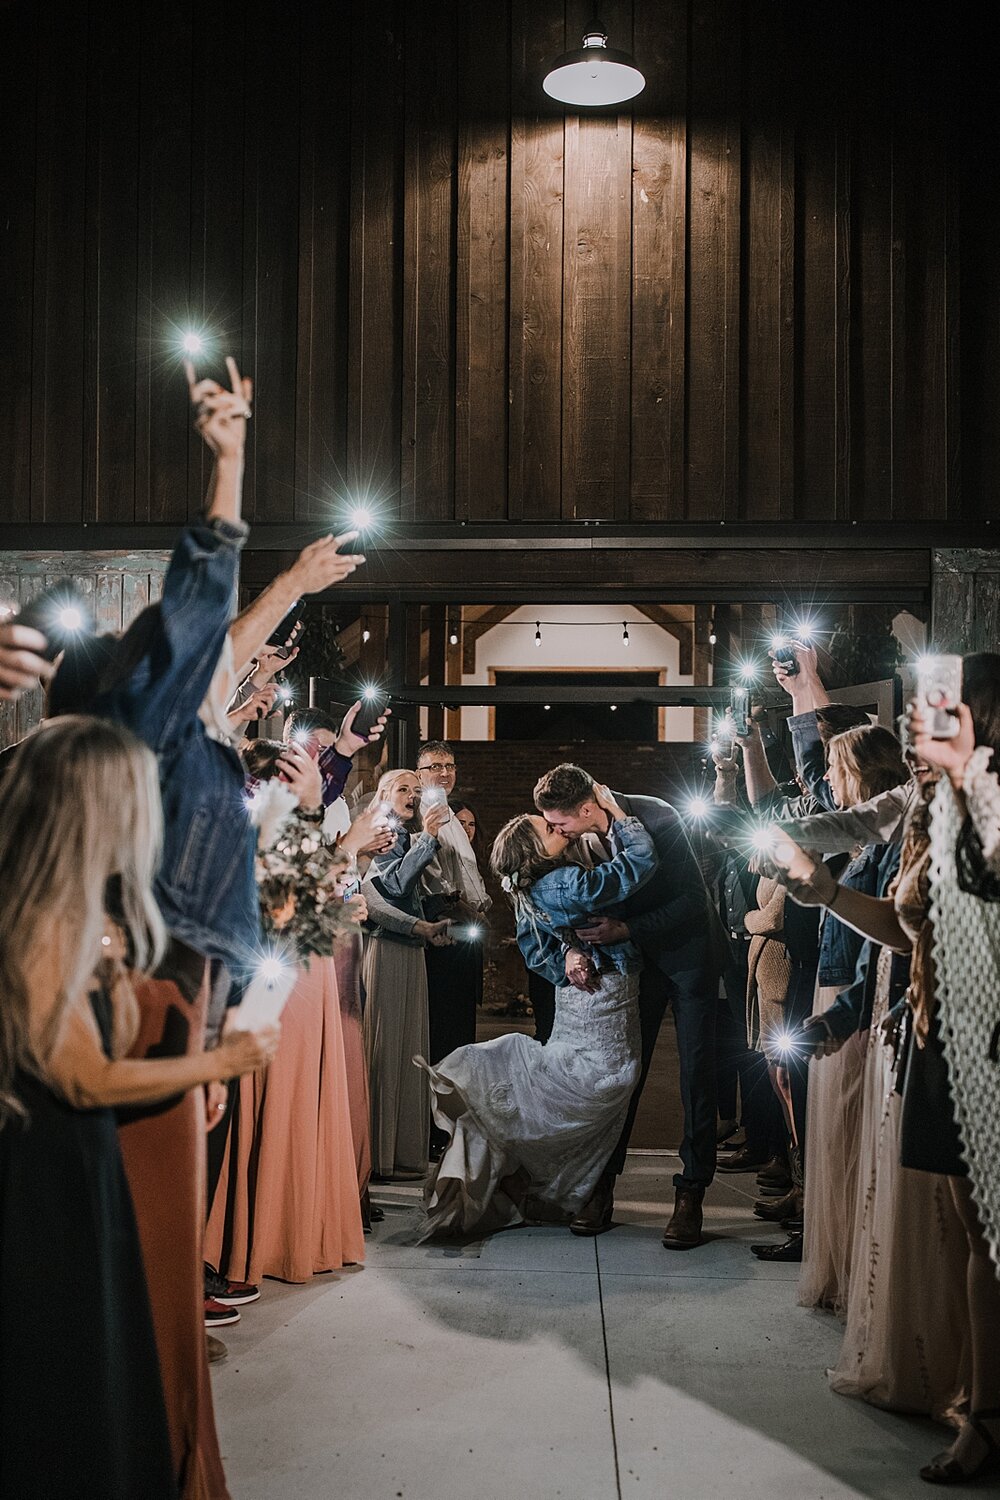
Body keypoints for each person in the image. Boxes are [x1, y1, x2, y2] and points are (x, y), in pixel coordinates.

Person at [0, 717, 276, 1500]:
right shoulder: (40, 912)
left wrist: (117, 958)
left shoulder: (78, 900)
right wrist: (220, 1061)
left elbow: (114, 1033)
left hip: (84, 1164)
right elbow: (84, 1079)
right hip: (46, 1164)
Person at [774, 653, 1000, 1487]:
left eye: (939, 711)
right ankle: (982, 1409)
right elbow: (914, 936)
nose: (918, 728)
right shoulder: (927, 807)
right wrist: (823, 891)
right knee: (979, 1236)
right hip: (942, 1036)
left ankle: (985, 1415)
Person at [418, 785, 656, 1238]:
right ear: (534, 852)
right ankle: (533, 1163)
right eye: (545, 827)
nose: (554, 823)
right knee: (609, 1079)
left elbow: (540, 940)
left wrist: (566, 953)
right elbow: (631, 871)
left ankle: (529, 1169)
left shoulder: (544, 878)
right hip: (595, 995)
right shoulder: (559, 881)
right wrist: (621, 817)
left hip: (585, 998)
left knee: (602, 1078)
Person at [533, 764, 725, 1249]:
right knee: (620, 1074)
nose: (555, 833)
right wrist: (571, 946)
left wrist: (628, 929)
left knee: (697, 1074)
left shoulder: (657, 817)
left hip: (687, 956)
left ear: (587, 807)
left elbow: (691, 902)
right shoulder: (570, 837)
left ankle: (691, 1193)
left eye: (560, 824)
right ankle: (602, 1183)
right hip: (628, 965)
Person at [206, 741, 367, 1283]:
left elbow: (306, 903)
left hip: (305, 972)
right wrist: (346, 847)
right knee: (278, 1103)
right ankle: (263, 1239)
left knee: (302, 1099)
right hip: (278, 978)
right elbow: (281, 904)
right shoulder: (253, 830)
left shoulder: (286, 827)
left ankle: (298, 1230)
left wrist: (341, 903)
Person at [793, 724, 910, 1307]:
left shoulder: (893, 839)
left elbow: (891, 934)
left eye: (836, 769)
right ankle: (838, 1268)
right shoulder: (858, 839)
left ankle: (857, 1276)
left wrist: (846, 1012)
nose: (828, 781)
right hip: (840, 988)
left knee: (849, 1135)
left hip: (863, 996)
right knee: (834, 1139)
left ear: (863, 772)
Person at [361, 769, 452, 1178]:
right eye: (404, 789)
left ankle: (402, 1151)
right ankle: (378, 1153)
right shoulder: (380, 832)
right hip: (387, 948)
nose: (413, 796)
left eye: (417, 790)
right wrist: (428, 838)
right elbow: (392, 888)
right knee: (387, 1049)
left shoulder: (405, 836)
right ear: (384, 794)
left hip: (412, 950)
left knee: (409, 1049)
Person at [416, 742, 492, 1154]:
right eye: (434, 766)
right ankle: (434, 1129)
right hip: (440, 930)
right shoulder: (421, 816)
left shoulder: (453, 818)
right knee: (441, 1035)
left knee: (462, 1035)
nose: (443, 772)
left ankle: (453, 1124)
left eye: (449, 765)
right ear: (420, 771)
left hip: (466, 931)